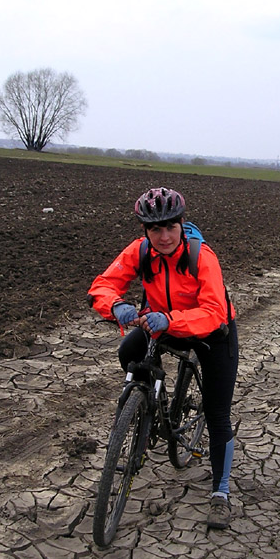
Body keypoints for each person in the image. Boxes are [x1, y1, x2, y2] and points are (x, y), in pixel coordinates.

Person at [88, 187, 238, 530]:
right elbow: (102, 285)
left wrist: (170, 320)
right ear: (146, 230)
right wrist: (115, 305)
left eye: (171, 227)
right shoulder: (141, 251)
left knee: (217, 413)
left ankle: (220, 493)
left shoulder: (202, 256)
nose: (164, 236)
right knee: (129, 352)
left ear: (182, 224)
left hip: (211, 331)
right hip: (161, 321)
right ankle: (148, 406)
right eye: (155, 229)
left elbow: (214, 312)